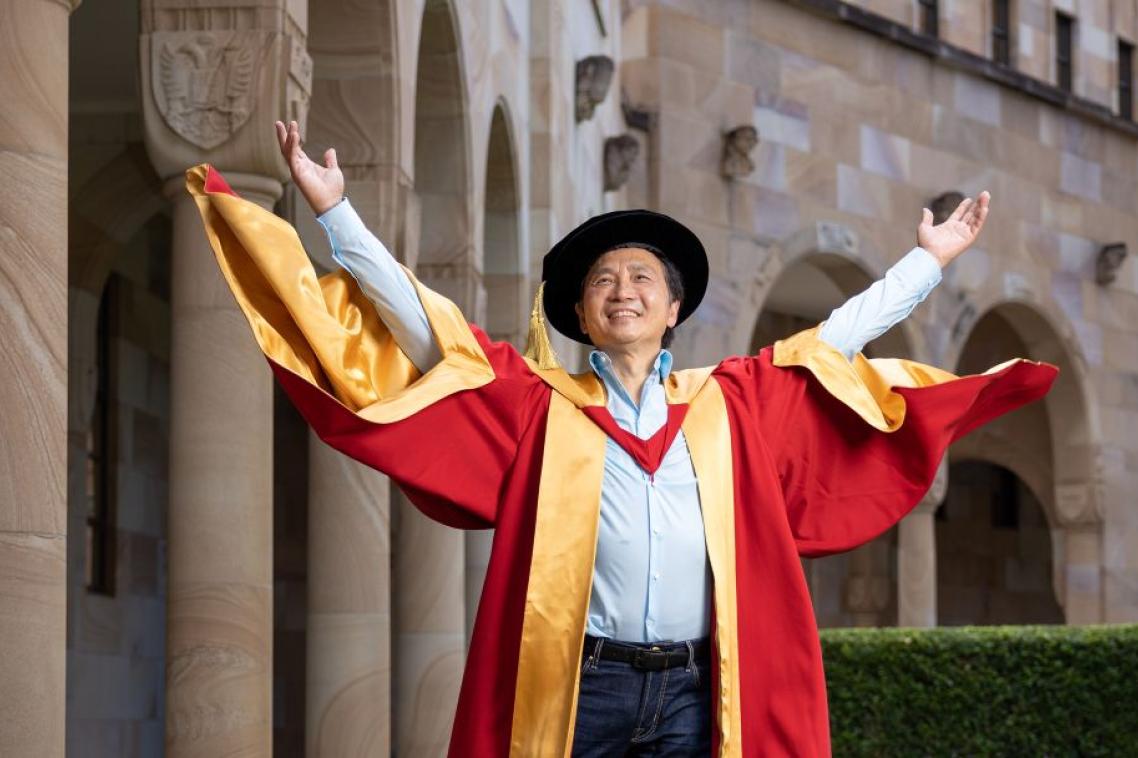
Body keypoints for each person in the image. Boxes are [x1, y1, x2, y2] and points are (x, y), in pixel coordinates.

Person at [183, 120, 1056, 757]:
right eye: (604, 280)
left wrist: (928, 260)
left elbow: (834, 340)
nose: (623, 289)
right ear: (583, 313)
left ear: (673, 308)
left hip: (696, 687)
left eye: (642, 277)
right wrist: (337, 215)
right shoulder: (541, 407)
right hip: (579, 683)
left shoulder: (728, 403)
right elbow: (428, 327)